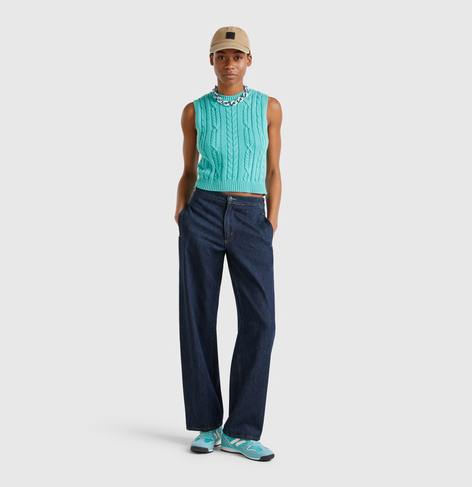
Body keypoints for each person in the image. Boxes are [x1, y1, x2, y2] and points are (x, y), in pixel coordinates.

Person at [174, 26, 282, 462]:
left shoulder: (269, 107)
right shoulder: (194, 111)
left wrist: (271, 222)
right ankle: (207, 424)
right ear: (212, 60)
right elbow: (188, 170)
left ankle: (241, 431)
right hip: (202, 212)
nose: (229, 64)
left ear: (249, 61)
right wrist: (182, 214)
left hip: (252, 215)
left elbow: (273, 170)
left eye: (237, 56)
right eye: (222, 56)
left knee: (261, 321)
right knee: (197, 316)